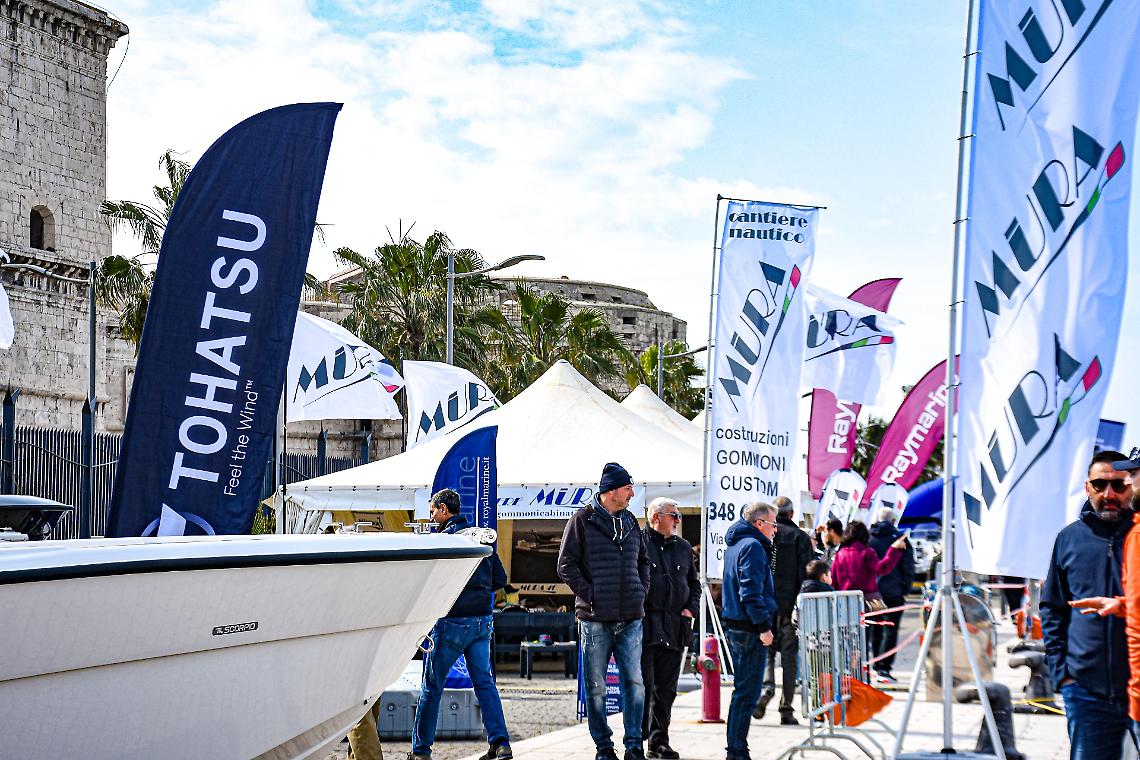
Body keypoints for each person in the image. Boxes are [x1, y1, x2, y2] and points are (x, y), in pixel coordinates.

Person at [1041, 450, 1134, 759]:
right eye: (1100, 485)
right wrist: (1062, 674)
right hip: (1085, 690)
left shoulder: (1138, 535)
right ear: (1087, 487)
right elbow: (1052, 607)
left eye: (1118, 485)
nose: (1109, 494)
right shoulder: (1068, 539)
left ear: (1131, 486)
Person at [409, 489, 512, 760]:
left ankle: (420, 752)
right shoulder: (480, 537)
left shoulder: (441, 541)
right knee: (484, 683)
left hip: (451, 621)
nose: (432, 518)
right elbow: (500, 580)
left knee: (432, 687)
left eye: (433, 511)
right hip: (482, 622)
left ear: (444, 509)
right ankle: (501, 745)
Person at [557, 462, 650, 760]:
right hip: (595, 619)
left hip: (631, 617)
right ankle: (604, 748)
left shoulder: (632, 522)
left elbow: (644, 562)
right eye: (627, 488)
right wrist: (591, 595)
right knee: (596, 687)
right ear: (611, 491)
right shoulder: (581, 521)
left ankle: (634, 746)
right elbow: (565, 566)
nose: (632, 493)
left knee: (635, 684)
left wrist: (641, 590)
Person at [640, 497, 700, 759]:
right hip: (645, 624)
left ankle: (658, 742)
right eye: (673, 515)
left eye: (678, 516)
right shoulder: (638, 543)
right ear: (656, 517)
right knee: (642, 685)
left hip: (675, 625)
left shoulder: (684, 547)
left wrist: (690, 608)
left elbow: (694, 584)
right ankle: (636, 737)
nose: (677, 520)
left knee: (666, 689)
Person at [721, 502, 778, 760]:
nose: (775, 530)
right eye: (773, 524)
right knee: (747, 693)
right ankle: (737, 751)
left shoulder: (737, 544)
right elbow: (750, 592)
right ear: (759, 523)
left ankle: (736, 748)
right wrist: (764, 627)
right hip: (748, 628)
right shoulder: (753, 546)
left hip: (738, 625)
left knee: (743, 692)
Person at [755, 496, 814, 725]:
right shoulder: (800, 538)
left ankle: (768, 688)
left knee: (767, 653)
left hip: (766, 605)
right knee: (789, 659)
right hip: (791, 608)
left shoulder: (764, 536)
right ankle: (786, 709)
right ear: (791, 513)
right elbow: (806, 575)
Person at [867, 508, 916, 684]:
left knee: (875, 628)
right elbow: (908, 567)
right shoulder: (900, 540)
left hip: (873, 592)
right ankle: (884, 667)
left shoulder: (868, 538)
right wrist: (906, 589)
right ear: (894, 520)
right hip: (894, 592)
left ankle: (874, 664)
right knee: (891, 629)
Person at [830, 520, 906, 604]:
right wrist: (893, 549)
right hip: (867, 600)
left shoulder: (839, 554)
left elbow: (834, 580)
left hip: (845, 600)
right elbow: (882, 568)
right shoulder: (867, 552)